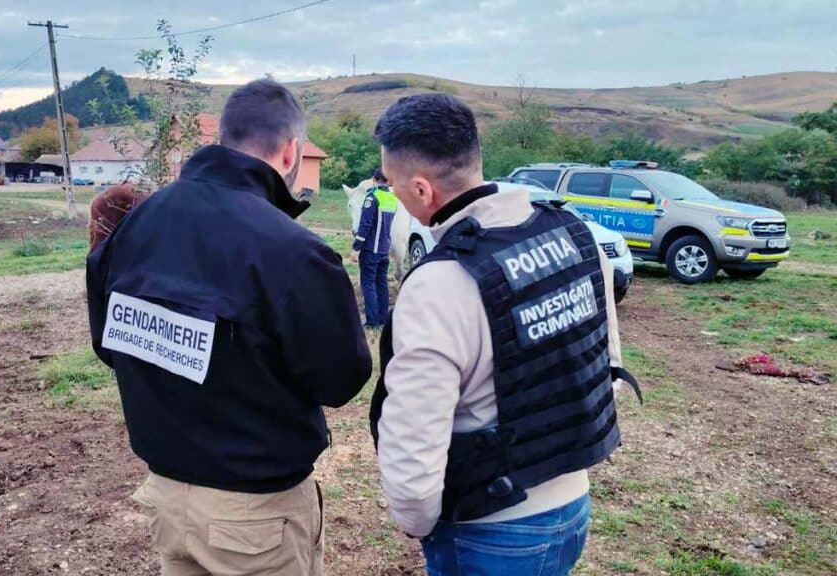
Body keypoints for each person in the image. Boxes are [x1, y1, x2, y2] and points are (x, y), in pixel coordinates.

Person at [87, 79, 372, 576]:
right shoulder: (293, 251)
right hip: (256, 518)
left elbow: (110, 343)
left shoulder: (139, 221)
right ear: (290, 153)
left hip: (168, 499)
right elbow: (341, 380)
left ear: (222, 138)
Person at [368, 94, 640, 575]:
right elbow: (604, 367)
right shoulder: (574, 234)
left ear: (421, 190)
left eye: (392, 184)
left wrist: (419, 520)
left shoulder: (440, 284)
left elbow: (414, 445)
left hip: (488, 530)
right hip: (571, 505)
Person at [351, 168, 398, 329]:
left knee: (368, 284)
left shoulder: (372, 197)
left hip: (371, 249)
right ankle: (382, 319)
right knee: (382, 283)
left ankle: (371, 322)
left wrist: (356, 247)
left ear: (374, 179)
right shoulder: (392, 199)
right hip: (385, 249)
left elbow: (365, 225)